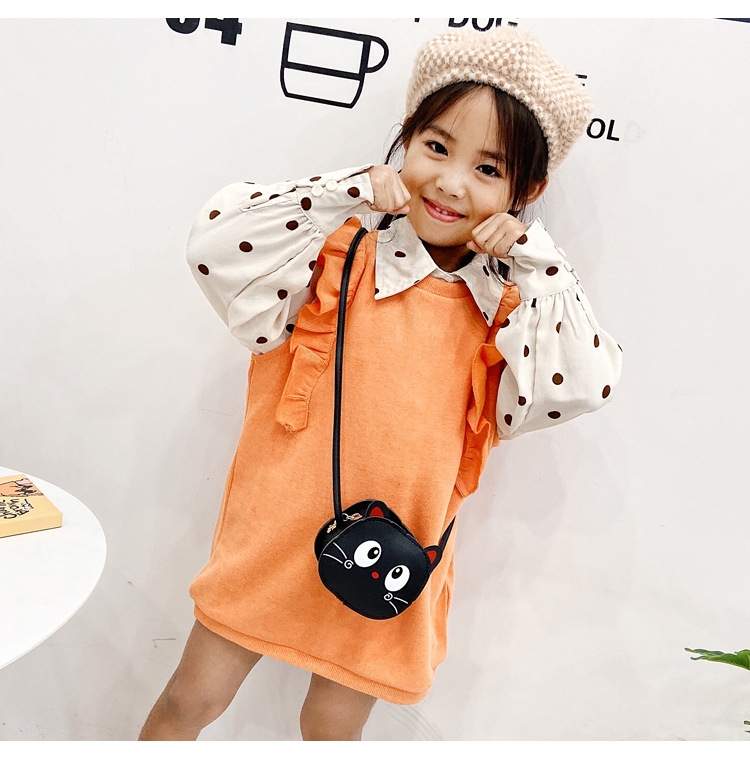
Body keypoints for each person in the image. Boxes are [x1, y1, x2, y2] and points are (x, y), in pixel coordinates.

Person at [139, 26, 623, 741]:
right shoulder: (334, 257)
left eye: (488, 169)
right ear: (407, 139)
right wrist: (350, 191)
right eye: (437, 147)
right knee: (193, 699)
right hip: (272, 538)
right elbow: (215, 245)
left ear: (526, 191)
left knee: (332, 730)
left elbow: (582, 384)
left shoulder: (511, 313)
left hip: (394, 562)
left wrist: (536, 258)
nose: (451, 183)